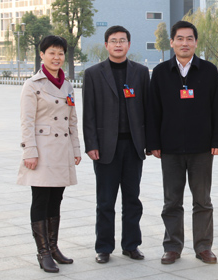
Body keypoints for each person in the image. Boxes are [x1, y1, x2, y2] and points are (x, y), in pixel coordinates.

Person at [147, 20, 218, 265]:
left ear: (196, 42)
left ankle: (203, 246)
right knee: (172, 201)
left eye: (189, 38)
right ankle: (172, 246)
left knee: (203, 200)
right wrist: (153, 142)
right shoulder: (161, 72)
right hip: (170, 148)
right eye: (179, 39)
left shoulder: (209, 71)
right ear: (172, 42)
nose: (184, 43)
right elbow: (153, 110)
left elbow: (217, 108)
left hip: (202, 148)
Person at [82, 25, 150, 264]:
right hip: (105, 148)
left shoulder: (141, 72)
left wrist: (149, 142)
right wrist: (91, 144)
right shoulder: (93, 73)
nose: (118, 44)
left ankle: (131, 245)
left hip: (133, 146)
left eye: (122, 40)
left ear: (129, 45)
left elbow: (148, 108)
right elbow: (88, 112)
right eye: (114, 41)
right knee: (105, 201)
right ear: (106, 45)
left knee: (132, 200)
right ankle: (104, 247)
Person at [16, 35, 81, 273]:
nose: (57, 57)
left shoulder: (67, 85)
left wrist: (76, 148)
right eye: (52, 53)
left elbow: (72, 120)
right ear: (42, 55)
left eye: (60, 53)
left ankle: (53, 248)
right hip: (42, 151)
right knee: (41, 200)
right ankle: (43, 252)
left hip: (62, 150)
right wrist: (29, 151)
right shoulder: (33, 85)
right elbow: (26, 121)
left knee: (56, 199)